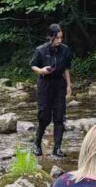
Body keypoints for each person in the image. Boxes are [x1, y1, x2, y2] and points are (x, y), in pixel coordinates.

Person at [30, 23, 72, 158]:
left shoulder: (65, 50)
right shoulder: (40, 50)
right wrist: (41, 70)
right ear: (51, 37)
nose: (60, 40)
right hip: (45, 84)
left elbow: (66, 68)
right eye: (58, 38)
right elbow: (33, 65)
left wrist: (69, 85)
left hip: (59, 84)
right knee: (44, 117)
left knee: (59, 117)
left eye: (61, 38)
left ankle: (57, 148)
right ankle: (37, 144)